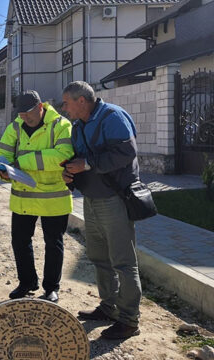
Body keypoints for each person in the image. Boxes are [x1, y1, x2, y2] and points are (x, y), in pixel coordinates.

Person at [61, 80, 142, 339]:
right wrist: (70, 172)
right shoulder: (78, 126)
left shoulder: (112, 117)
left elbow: (127, 153)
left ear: (81, 101)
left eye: (66, 103)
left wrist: (87, 165)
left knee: (122, 261)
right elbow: (81, 160)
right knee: (99, 258)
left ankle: (129, 320)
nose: (64, 108)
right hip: (92, 200)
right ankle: (109, 307)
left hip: (114, 199)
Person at [0, 90, 74, 303]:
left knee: (53, 243)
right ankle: (27, 282)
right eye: (21, 115)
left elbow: (62, 156)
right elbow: (2, 153)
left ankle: (51, 288)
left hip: (53, 197)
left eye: (28, 114)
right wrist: (2, 169)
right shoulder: (15, 127)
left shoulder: (61, 125)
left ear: (40, 107)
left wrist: (22, 162)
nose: (25, 119)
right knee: (20, 241)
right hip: (23, 196)